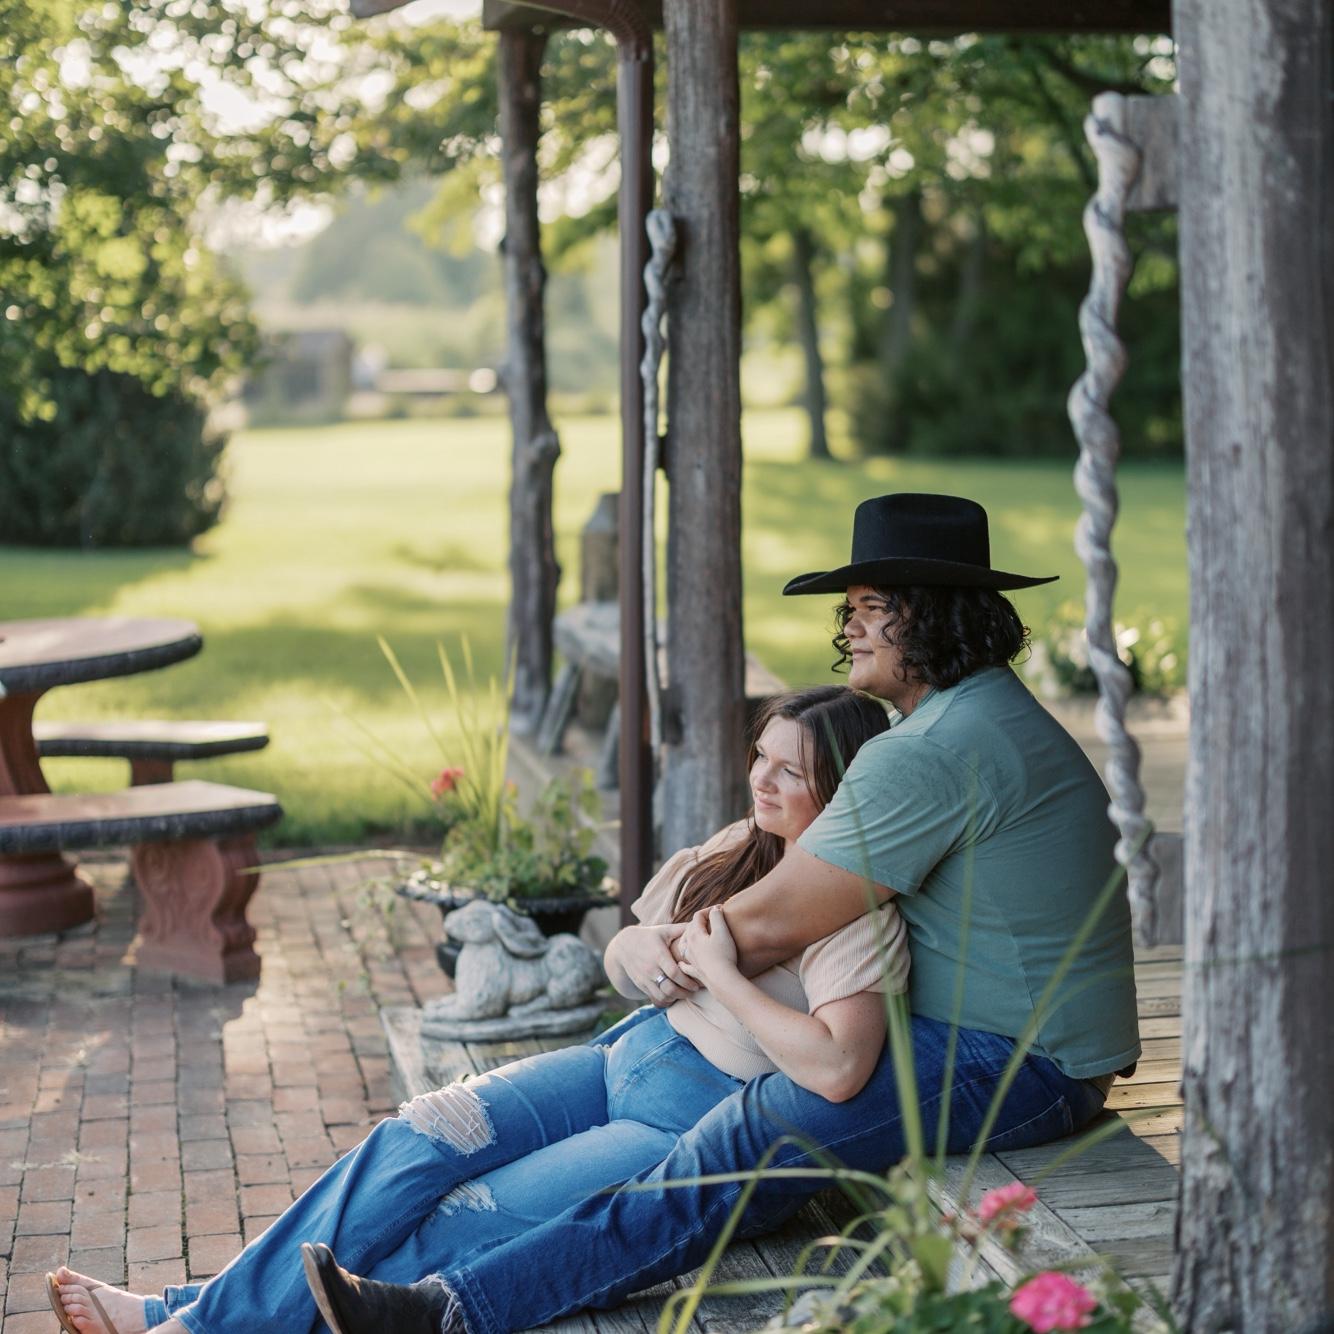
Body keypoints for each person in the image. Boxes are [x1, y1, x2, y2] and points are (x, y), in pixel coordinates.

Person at [292, 492, 1142, 1334]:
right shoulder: (985, 715)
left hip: (1025, 1061)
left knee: (747, 1132)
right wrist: (655, 951)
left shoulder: (930, 751)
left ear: (930, 616)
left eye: (870, 607)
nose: (848, 627)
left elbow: (768, 921)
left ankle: (448, 1313)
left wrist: (659, 948)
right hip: (1022, 1038)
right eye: (848, 609)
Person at [49, 685, 910, 1334]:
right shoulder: (741, 845)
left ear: (841, 786)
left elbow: (841, 1066)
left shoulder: (856, 910)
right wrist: (637, 949)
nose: (761, 779)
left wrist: (724, 977)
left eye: (789, 771)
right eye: (761, 756)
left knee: (470, 1217)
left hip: (680, 1118)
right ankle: (193, 1314)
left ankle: (189, 1321)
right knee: (412, 1141)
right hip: (615, 1058)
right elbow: (622, 953)